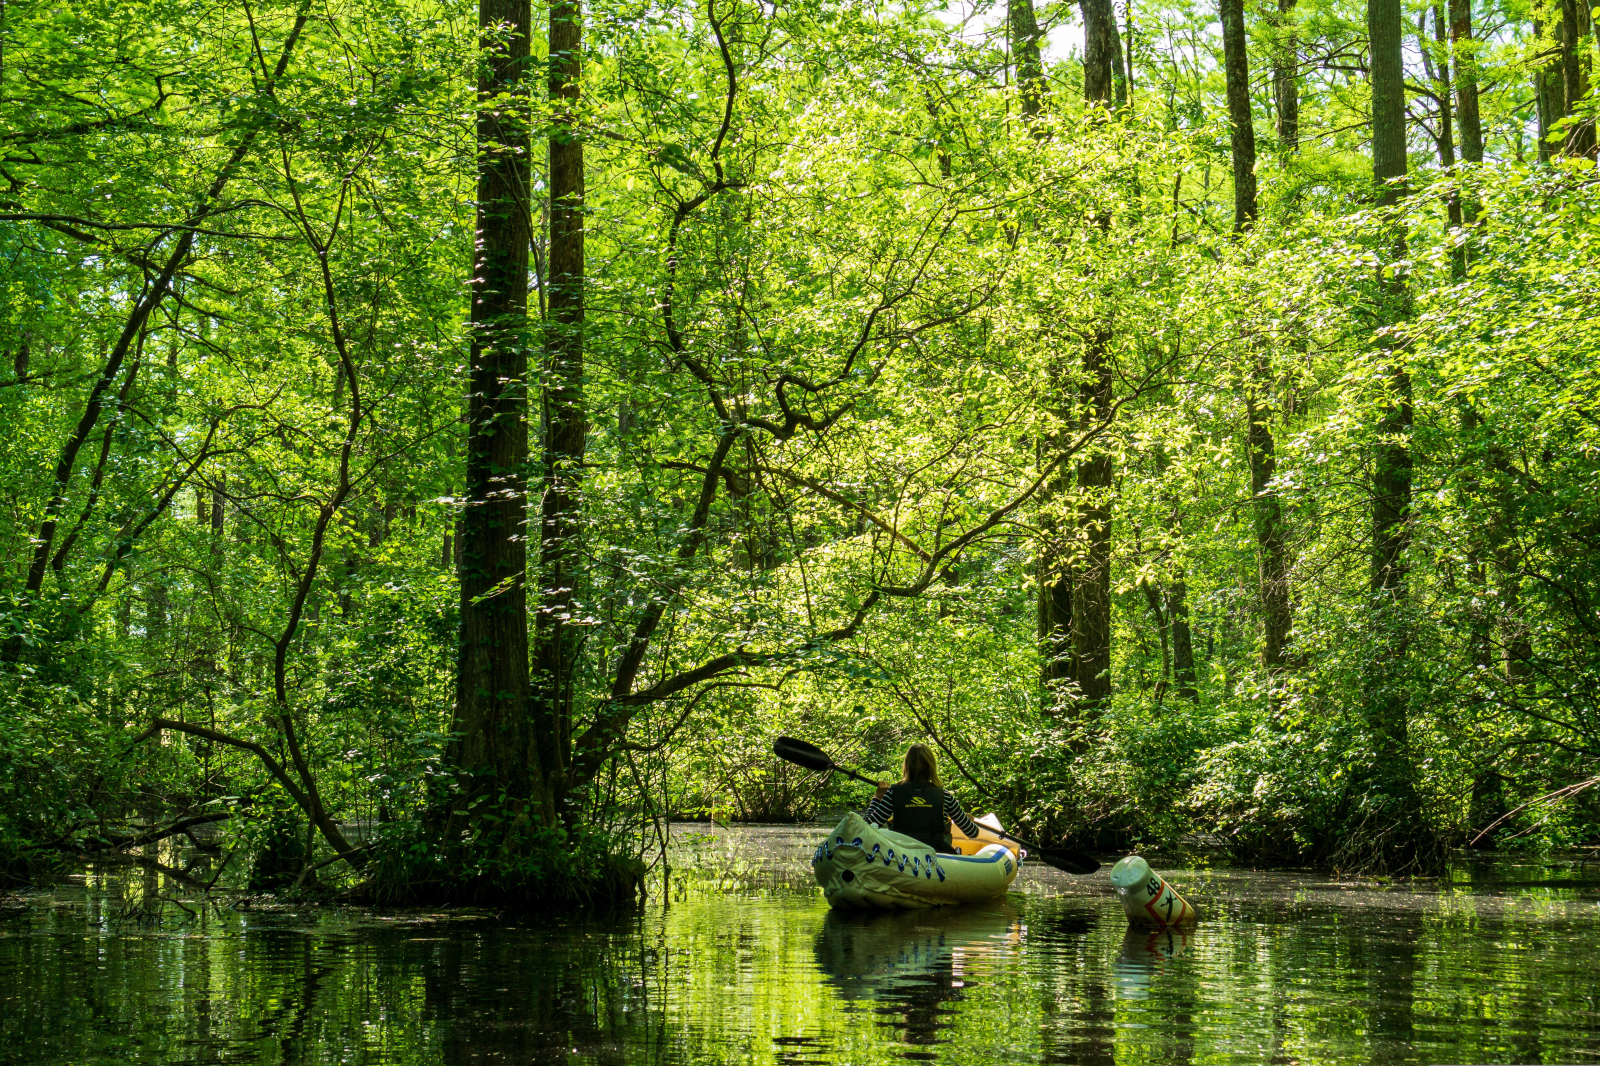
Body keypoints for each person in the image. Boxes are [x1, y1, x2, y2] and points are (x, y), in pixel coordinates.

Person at [863, 743, 981, 853]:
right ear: (931, 767)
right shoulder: (945, 796)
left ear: (907, 766)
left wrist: (876, 798)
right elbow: (972, 832)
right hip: (937, 856)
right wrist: (969, 820)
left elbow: (865, 828)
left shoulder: (893, 793)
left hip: (903, 857)